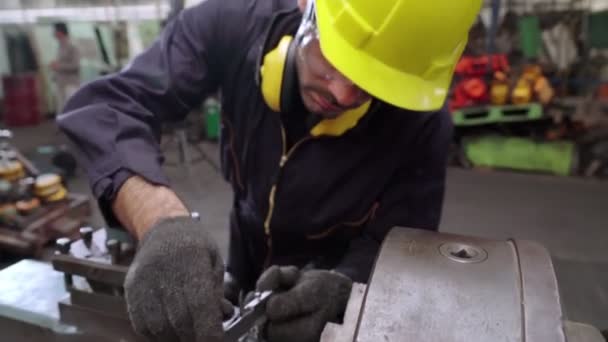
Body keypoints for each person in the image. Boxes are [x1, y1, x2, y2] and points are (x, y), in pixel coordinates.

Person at [57, 0, 482, 341]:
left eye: (369, 83)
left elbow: (401, 241)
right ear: (307, 7)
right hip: (244, 257)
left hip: (328, 281)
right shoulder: (227, 26)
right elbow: (105, 108)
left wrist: (345, 289)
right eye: (334, 60)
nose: (340, 92)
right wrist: (160, 222)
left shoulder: (420, 124)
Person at [50, 22, 80, 115]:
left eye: (54, 31)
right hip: (61, 83)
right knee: (62, 109)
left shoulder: (72, 45)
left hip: (70, 84)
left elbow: (75, 65)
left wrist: (58, 66)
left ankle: (74, 129)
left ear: (60, 32)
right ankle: (63, 128)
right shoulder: (60, 46)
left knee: (72, 110)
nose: (53, 33)